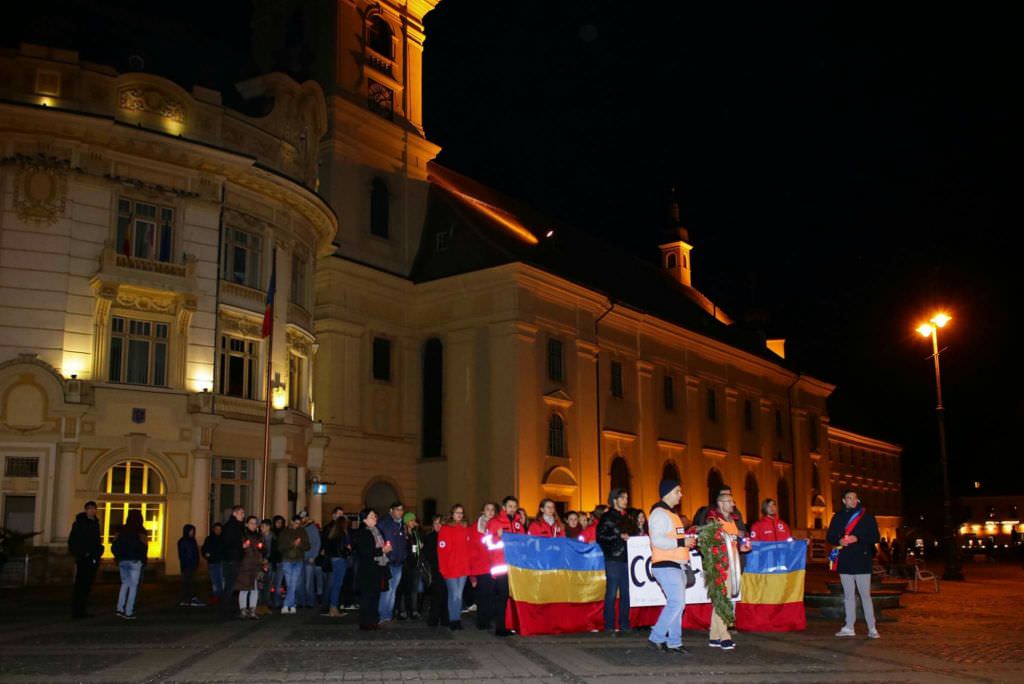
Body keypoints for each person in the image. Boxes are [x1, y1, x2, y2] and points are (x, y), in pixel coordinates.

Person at [647, 479, 695, 655]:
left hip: (676, 565)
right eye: (678, 491)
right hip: (665, 564)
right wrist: (683, 541)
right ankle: (657, 636)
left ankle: (674, 641)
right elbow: (657, 540)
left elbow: (673, 539)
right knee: (677, 603)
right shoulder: (659, 514)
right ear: (668, 493)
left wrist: (686, 543)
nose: (681, 495)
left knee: (677, 604)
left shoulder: (672, 515)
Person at [827, 489, 881, 639]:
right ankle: (849, 626)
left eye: (854, 498)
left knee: (865, 595)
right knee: (848, 595)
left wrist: (857, 538)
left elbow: (875, 536)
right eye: (849, 498)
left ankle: (872, 627)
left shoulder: (867, 517)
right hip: (845, 559)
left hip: (862, 559)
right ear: (844, 501)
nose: (852, 500)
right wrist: (839, 541)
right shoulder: (838, 517)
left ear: (858, 500)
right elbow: (830, 536)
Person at [705, 492, 751, 650]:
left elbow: (735, 541)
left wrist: (742, 546)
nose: (733, 504)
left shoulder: (732, 521)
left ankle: (714, 635)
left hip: (732, 564)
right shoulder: (713, 521)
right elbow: (711, 543)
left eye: (733, 501)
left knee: (722, 599)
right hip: (719, 565)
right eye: (729, 501)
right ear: (720, 503)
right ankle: (724, 635)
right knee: (722, 599)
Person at [485, 495, 526, 637]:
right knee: (502, 596)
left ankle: (510, 625)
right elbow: (487, 543)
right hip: (500, 565)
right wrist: (498, 536)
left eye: (514, 507)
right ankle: (500, 627)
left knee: (511, 596)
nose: (512, 509)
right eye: (510, 506)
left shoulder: (518, 524)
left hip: (514, 566)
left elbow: (523, 543)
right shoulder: (495, 522)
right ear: (504, 507)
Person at [598, 488, 635, 635]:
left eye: (626, 497)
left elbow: (634, 533)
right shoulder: (607, 517)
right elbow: (600, 537)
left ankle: (624, 624)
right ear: (615, 500)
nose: (626, 500)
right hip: (613, 559)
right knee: (612, 593)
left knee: (626, 593)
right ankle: (609, 625)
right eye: (623, 498)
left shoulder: (627, 517)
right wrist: (618, 536)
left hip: (627, 558)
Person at [354, 507, 391, 630]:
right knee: (367, 596)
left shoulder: (377, 531)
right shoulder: (362, 532)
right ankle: (366, 622)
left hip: (378, 568)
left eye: (375, 516)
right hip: (367, 569)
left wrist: (385, 549)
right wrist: (382, 550)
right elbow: (366, 552)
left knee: (375, 595)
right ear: (364, 519)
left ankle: (373, 621)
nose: (375, 518)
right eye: (371, 516)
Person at [438, 503, 473, 630]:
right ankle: (453, 620)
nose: (459, 515)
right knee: (454, 594)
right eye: (457, 512)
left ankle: (456, 619)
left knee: (459, 594)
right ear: (452, 514)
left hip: (463, 567)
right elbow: (442, 551)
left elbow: (469, 549)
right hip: (451, 567)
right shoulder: (446, 529)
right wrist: (443, 568)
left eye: (461, 512)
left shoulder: (466, 528)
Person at [68, 500, 103, 619]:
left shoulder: (95, 523)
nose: (92, 511)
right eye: (90, 508)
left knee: (87, 586)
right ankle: (77, 611)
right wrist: (82, 553)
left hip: (93, 558)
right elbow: (73, 541)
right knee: (80, 585)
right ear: (85, 510)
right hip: (83, 558)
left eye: (94, 509)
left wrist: (99, 552)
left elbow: (97, 540)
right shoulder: (80, 523)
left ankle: (82, 610)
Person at [112, 509, 148, 620]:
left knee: (124, 585)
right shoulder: (141, 531)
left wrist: (118, 557)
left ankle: (120, 608)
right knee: (133, 587)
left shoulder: (121, 530)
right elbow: (144, 547)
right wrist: (142, 559)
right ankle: (129, 611)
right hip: (135, 561)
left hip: (123, 560)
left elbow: (114, 545)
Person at [377, 501, 409, 623]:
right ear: (391, 510)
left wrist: (403, 556)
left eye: (401, 510)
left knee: (393, 590)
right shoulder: (385, 523)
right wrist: (385, 554)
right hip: (388, 562)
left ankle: (388, 614)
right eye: (397, 509)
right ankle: (382, 614)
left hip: (399, 562)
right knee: (386, 590)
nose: (400, 512)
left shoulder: (401, 524)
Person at [470, 503, 497, 629]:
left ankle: (488, 619)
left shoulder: (497, 526)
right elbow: (471, 549)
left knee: (492, 595)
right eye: (488, 509)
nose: (490, 512)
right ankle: (482, 621)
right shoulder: (476, 527)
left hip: (495, 566)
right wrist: (472, 572)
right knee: (483, 594)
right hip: (480, 565)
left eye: (492, 510)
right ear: (482, 511)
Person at [277, 514, 310, 614]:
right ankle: (292, 604)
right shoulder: (284, 532)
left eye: (299, 524)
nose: (297, 525)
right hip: (287, 559)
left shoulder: (302, 531)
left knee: (293, 583)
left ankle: (287, 604)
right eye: (296, 523)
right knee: (290, 583)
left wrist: (299, 544)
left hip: (298, 559)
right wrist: (292, 544)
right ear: (291, 521)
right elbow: (280, 547)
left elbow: (308, 546)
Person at [321, 507, 351, 617]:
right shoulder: (342, 533)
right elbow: (345, 547)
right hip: (340, 560)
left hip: (333, 559)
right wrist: (348, 549)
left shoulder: (332, 532)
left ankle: (331, 607)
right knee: (337, 584)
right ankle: (333, 608)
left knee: (333, 584)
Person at [235, 516, 265, 619]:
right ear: (247, 524)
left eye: (255, 523)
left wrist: (262, 553)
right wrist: (242, 547)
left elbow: (262, 550)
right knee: (244, 588)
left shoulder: (258, 536)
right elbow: (237, 549)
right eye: (251, 523)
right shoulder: (243, 535)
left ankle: (252, 610)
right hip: (245, 565)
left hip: (256, 565)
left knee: (255, 588)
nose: (253, 525)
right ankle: (243, 610)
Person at [219, 506, 245, 618]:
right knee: (230, 585)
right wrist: (242, 545)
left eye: (243, 513)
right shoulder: (232, 527)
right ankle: (225, 610)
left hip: (232, 559)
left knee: (231, 585)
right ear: (234, 513)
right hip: (231, 560)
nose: (243, 515)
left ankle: (226, 609)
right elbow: (228, 543)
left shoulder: (235, 526)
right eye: (241, 513)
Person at [422, 514, 448, 627]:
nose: (438, 525)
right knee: (436, 595)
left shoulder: (447, 535)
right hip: (435, 569)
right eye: (436, 523)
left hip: (446, 569)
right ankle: (434, 619)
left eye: (440, 523)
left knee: (445, 595)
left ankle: (445, 619)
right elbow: (427, 554)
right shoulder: (429, 537)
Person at [397, 511, 424, 619]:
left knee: (414, 588)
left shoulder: (415, 533)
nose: (414, 522)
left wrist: (420, 545)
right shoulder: (402, 533)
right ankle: (402, 610)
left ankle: (414, 610)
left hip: (415, 564)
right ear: (407, 521)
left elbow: (418, 545)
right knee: (403, 588)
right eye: (412, 520)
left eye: (414, 520)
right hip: (405, 564)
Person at [176, 524, 204, 607]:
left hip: (192, 565)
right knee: (188, 583)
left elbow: (195, 552)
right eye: (191, 531)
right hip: (187, 565)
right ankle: (189, 599)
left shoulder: (192, 540)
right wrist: (188, 562)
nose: (192, 533)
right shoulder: (182, 541)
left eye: (193, 531)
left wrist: (196, 562)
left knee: (191, 582)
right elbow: (182, 554)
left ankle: (188, 599)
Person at [301, 511, 322, 609]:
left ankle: (309, 601)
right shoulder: (302, 528)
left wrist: (314, 556)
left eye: (304, 517)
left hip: (309, 557)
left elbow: (317, 543)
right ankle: (303, 601)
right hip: (302, 557)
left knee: (308, 582)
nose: (303, 519)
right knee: (303, 581)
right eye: (302, 517)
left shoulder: (312, 528)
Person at [201, 522, 225, 605]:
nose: (218, 531)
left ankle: (222, 596)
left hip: (221, 562)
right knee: (214, 581)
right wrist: (206, 554)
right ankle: (216, 596)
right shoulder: (209, 539)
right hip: (212, 562)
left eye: (219, 529)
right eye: (216, 529)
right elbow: (204, 549)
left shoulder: (223, 539)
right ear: (213, 530)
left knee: (222, 580)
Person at [266, 516, 285, 609]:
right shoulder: (271, 534)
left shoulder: (284, 533)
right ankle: (268, 601)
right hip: (271, 561)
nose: (279, 524)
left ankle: (277, 602)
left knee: (278, 584)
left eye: (281, 522)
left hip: (281, 561)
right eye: (277, 522)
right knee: (270, 582)